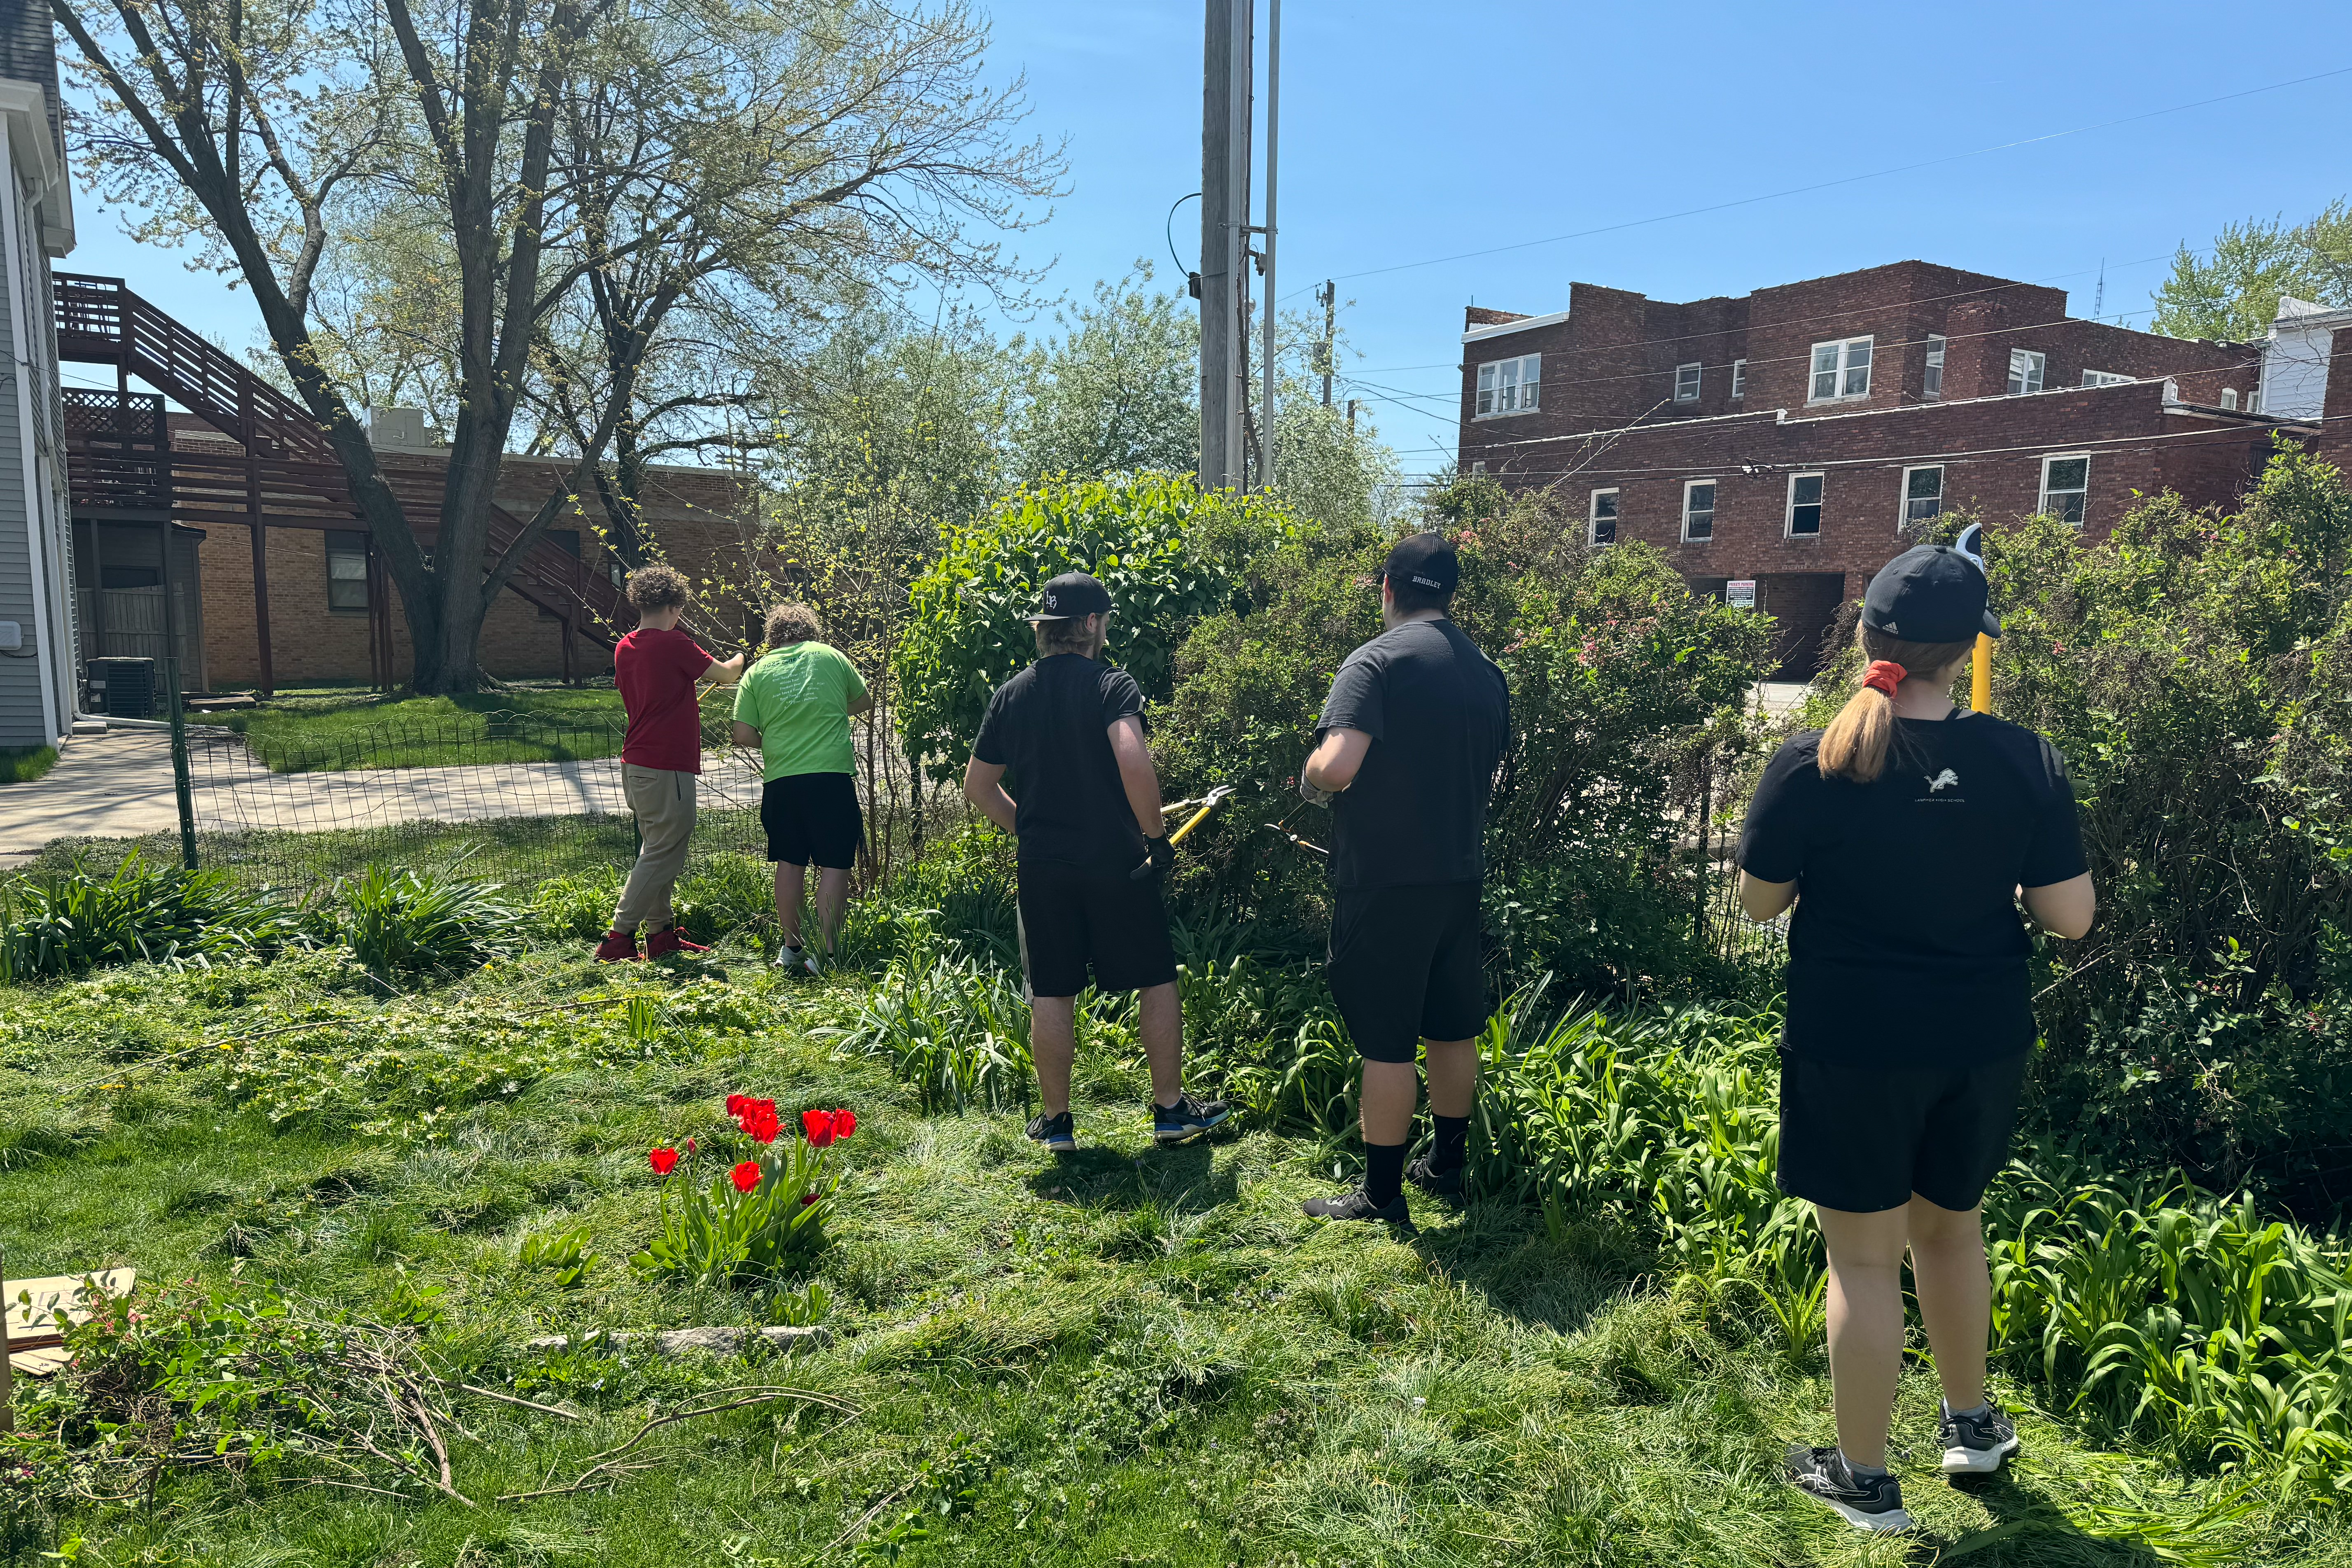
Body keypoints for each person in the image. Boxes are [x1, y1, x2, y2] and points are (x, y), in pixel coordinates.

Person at [1736, 544, 2095, 1534]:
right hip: (1979, 1038)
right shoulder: (2025, 757)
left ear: (1867, 637)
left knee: (1861, 1260)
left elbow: (1759, 906)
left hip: (1852, 1041)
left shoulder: (1809, 761)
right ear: (1968, 649)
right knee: (1953, 1230)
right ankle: (1970, 1426)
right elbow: (2071, 917)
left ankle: (1863, 1479)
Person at [962, 571, 1229, 1152]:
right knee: (1155, 979)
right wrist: (1157, 840)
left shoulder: (1013, 694)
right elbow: (1132, 758)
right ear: (1090, 625)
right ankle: (1170, 1111)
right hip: (1117, 864)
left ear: (1044, 629)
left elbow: (979, 788)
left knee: (1053, 990)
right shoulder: (1111, 686)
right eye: (1102, 621)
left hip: (1043, 868)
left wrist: (1029, 830)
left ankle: (1057, 1123)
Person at [1296, 532, 1511, 1224]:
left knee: (1385, 1040)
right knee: (1452, 1025)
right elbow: (1494, 771)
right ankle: (1447, 1164)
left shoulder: (1375, 662)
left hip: (1386, 881)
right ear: (1449, 592)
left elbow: (1337, 766)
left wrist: (1307, 775)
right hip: (1459, 875)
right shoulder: (1483, 670)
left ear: (1387, 588)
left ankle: (1382, 1193)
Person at [595, 564, 744, 961]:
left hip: (637, 763)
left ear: (640, 603)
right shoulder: (674, 643)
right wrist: (741, 656)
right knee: (665, 850)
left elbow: (656, 690)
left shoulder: (625, 646)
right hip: (666, 765)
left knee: (655, 848)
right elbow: (726, 675)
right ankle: (618, 939)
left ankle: (660, 936)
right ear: (676, 606)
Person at [730, 601, 873, 974]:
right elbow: (863, 701)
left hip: (782, 781)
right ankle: (826, 956)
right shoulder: (832, 657)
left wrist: (776, 739)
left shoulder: (757, 671)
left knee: (789, 863)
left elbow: (742, 734)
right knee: (835, 864)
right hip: (831, 778)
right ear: (812, 632)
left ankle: (791, 949)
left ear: (773, 636)